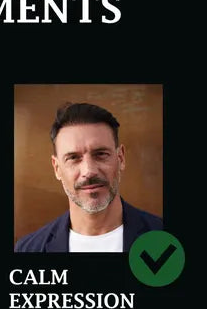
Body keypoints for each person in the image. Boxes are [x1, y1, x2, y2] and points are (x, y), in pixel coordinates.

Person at [14, 102, 162, 252]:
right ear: (57, 168)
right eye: (73, 158)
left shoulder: (165, 239)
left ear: (121, 158)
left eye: (101, 154)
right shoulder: (29, 249)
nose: (89, 171)